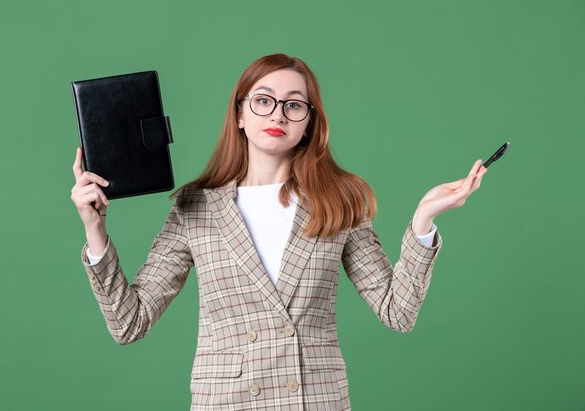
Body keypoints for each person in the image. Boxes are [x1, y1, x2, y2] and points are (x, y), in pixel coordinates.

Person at [71, 53, 486, 411]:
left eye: (294, 105)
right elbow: (130, 323)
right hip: (227, 400)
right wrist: (95, 230)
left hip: (314, 398)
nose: (277, 114)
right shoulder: (195, 207)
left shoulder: (339, 200)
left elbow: (398, 312)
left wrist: (423, 220)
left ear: (308, 122)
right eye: (263, 101)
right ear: (239, 113)